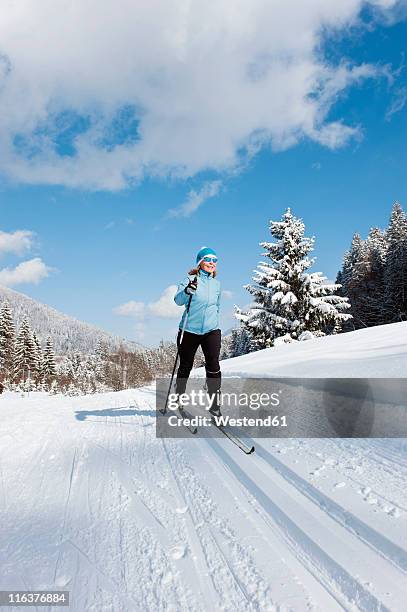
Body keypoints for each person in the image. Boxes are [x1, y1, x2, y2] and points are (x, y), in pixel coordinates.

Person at [173, 246, 222, 417]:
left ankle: (215, 406)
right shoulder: (190, 279)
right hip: (189, 330)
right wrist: (187, 291)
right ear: (200, 262)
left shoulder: (217, 285)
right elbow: (178, 300)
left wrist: (214, 324)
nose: (212, 263)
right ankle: (178, 397)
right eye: (208, 259)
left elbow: (217, 307)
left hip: (211, 330)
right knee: (186, 366)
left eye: (215, 260)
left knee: (214, 367)